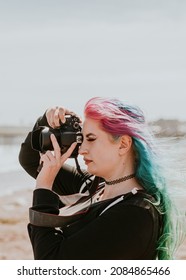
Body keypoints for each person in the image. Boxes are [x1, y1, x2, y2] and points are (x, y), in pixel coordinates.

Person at [19, 97, 179, 260]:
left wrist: (43, 187)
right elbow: (31, 160)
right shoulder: (95, 188)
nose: (82, 150)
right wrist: (45, 120)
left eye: (91, 139)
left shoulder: (135, 214)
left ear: (123, 144)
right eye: (82, 139)